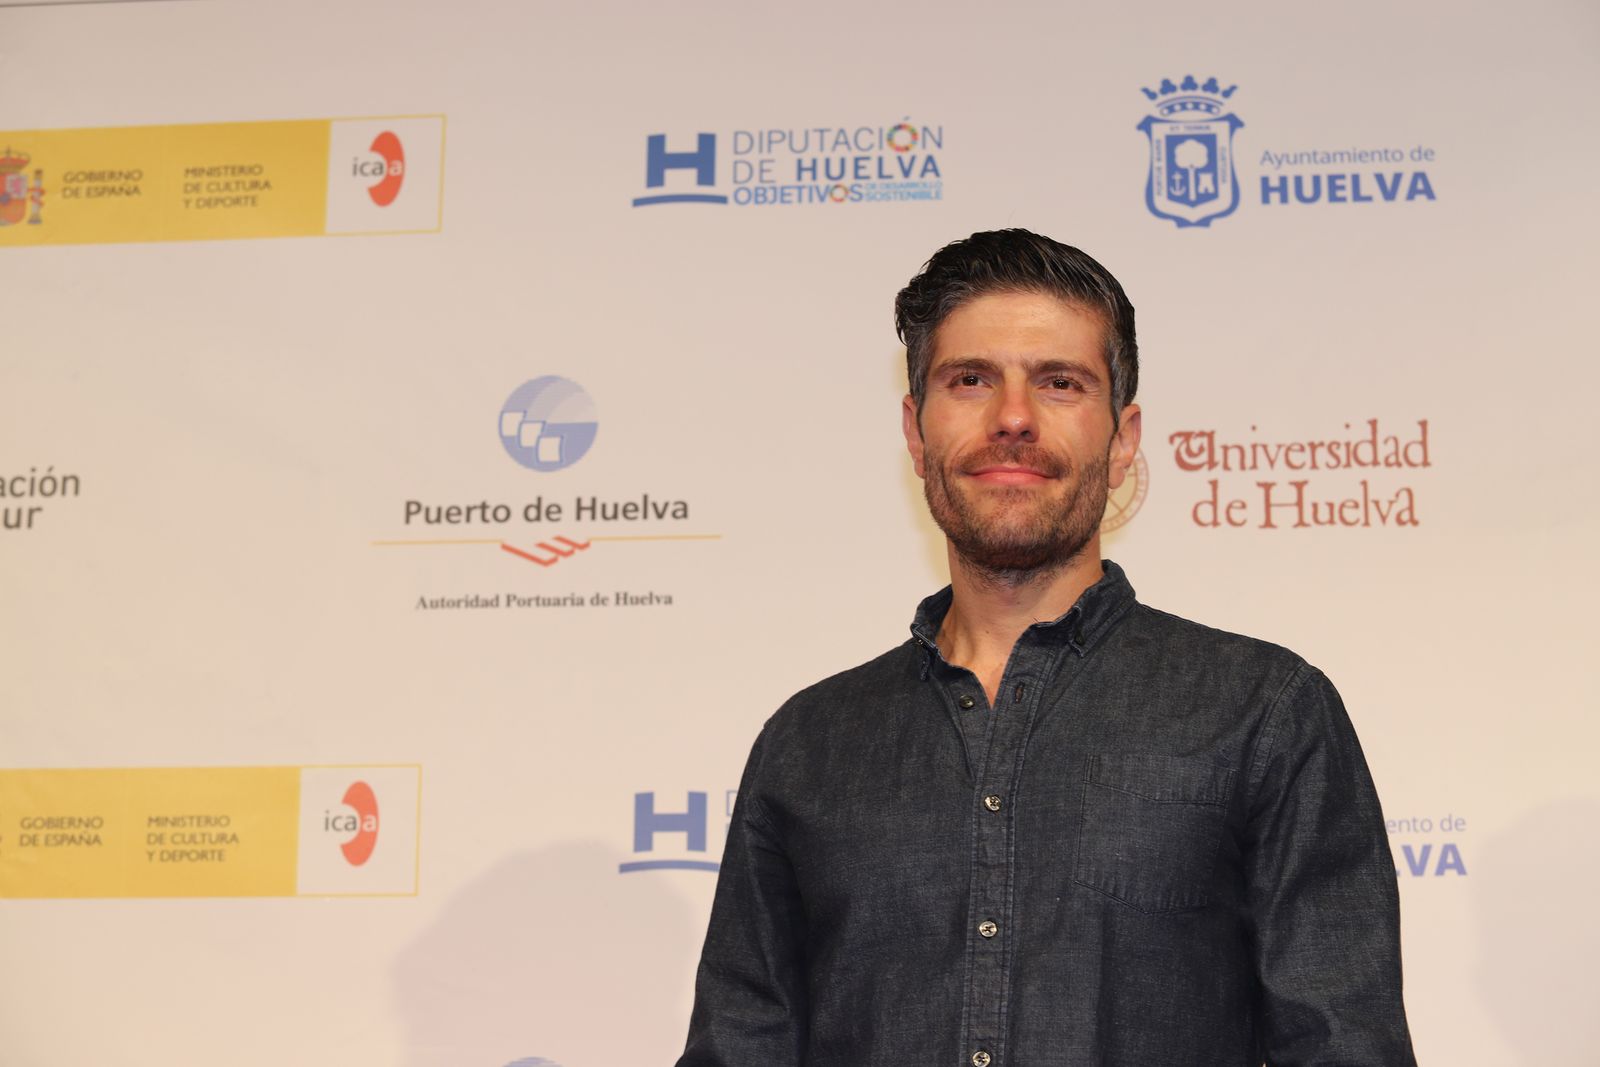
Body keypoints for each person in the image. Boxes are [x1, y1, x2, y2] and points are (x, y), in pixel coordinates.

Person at [676, 229, 1416, 1067]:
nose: (1013, 418)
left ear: (1124, 438)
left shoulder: (1264, 713)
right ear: (916, 431)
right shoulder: (810, 744)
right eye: (970, 379)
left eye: (1060, 382)